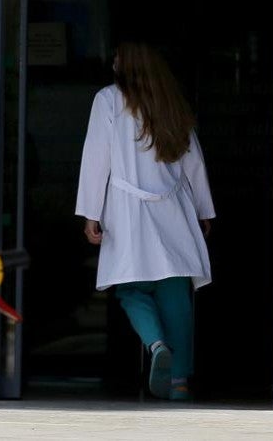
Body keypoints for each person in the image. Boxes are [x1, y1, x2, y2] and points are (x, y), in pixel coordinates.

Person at [75, 41, 215, 402]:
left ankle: (155, 345)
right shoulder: (171, 102)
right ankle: (180, 382)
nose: (113, 61)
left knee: (131, 289)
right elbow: (193, 161)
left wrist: (92, 212)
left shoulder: (108, 100)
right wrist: (203, 210)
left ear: (130, 63)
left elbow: (96, 158)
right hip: (174, 209)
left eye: (118, 57)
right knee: (175, 296)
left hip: (127, 209)